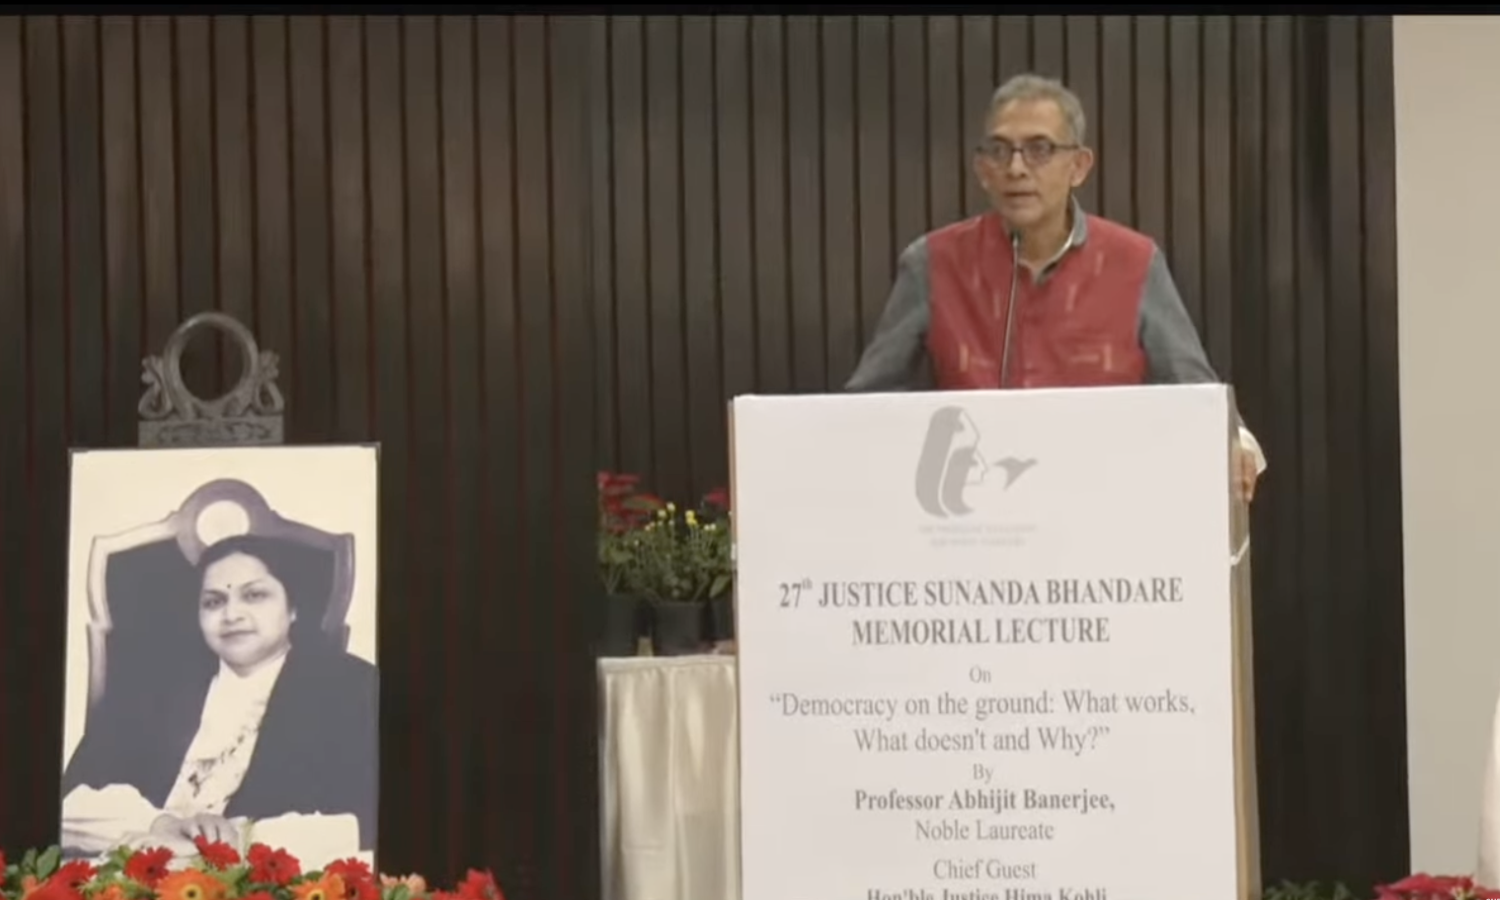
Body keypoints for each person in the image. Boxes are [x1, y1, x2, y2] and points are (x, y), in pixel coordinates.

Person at [846, 73, 1266, 500]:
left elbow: (1196, 391)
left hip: (1102, 498)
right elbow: (861, 407)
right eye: (999, 150)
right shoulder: (933, 263)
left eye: (1039, 149)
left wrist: (1236, 447)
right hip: (976, 506)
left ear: (1078, 166)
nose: (1016, 168)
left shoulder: (1133, 261)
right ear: (982, 170)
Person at [60, 533, 378, 857]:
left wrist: (239, 840)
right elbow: (69, 802)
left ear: (293, 607)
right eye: (214, 601)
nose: (231, 615)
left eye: (254, 595)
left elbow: (368, 820)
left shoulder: (354, 689)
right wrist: (160, 824)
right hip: (138, 870)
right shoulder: (152, 689)